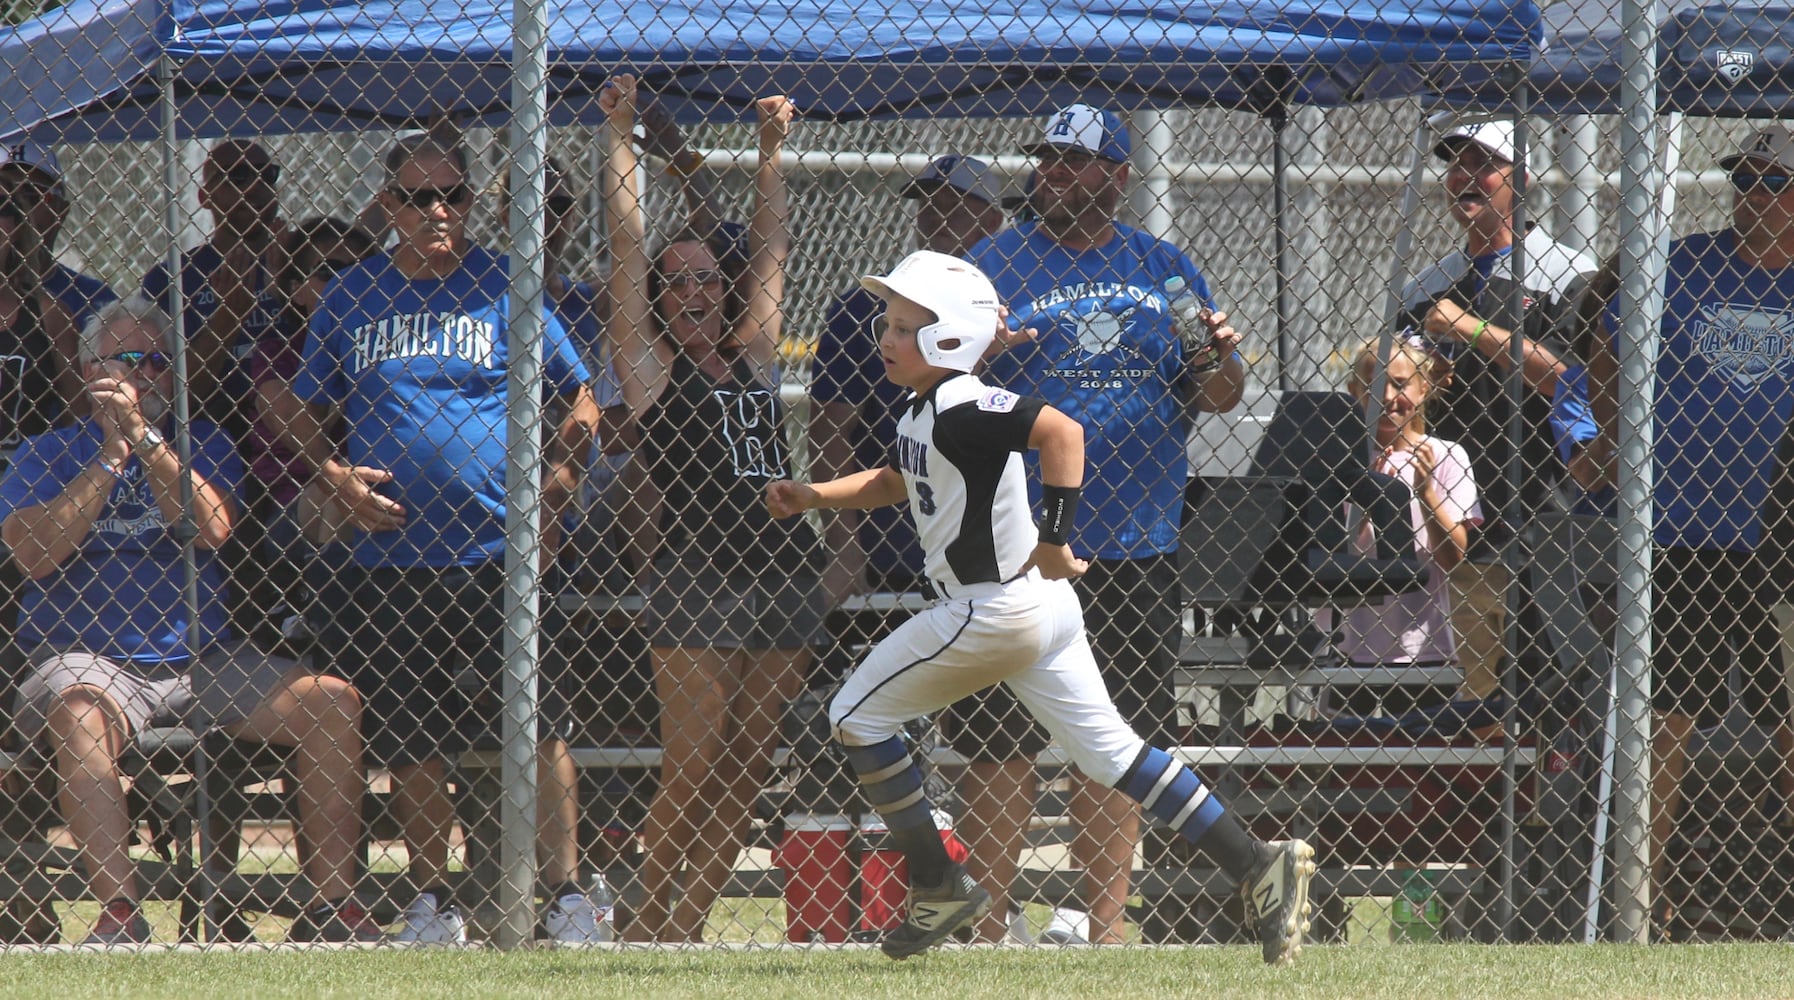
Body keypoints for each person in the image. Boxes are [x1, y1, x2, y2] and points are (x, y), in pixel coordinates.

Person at [764, 249, 1315, 963]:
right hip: (1039, 610)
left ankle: (937, 883)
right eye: (889, 325)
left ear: (951, 336)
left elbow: (1063, 432)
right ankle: (1255, 864)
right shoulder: (927, 406)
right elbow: (897, 480)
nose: (887, 340)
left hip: (994, 608)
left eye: (906, 327)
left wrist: (1055, 539)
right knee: (1113, 752)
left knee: (854, 716)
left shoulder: (962, 403)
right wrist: (815, 495)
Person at [268, 123, 603, 944]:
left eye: (453, 195)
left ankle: (563, 898)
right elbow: (305, 412)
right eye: (420, 198)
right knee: (412, 732)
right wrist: (335, 477)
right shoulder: (351, 295)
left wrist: (556, 492)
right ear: (387, 205)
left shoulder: (507, 284)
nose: (440, 211)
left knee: (540, 723)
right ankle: (432, 901)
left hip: (500, 554)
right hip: (389, 556)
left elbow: (585, 401)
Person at [1, 295, 373, 945]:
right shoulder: (46, 452)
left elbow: (212, 527)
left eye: (159, 362)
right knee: (81, 711)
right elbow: (35, 553)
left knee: (333, 704)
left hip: (201, 659)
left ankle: (331, 910)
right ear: (91, 370)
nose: (145, 375)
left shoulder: (203, 443)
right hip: (84, 656)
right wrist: (109, 458)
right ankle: (121, 916)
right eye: (128, 361)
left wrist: (145, 441)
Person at [967, 103, 1247, 943]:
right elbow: (937, 382)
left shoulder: (1163, 267)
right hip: (1018, 540)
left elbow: (1222, 392)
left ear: (1117, 178)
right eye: (1044, 158)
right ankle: (987, 926)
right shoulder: (993, 263)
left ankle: (1104, 924)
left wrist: (1219, 356)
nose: (1050, 172)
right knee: (1000, 738)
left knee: (1114, 736)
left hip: (1137, 538)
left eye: (1071, 161)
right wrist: (983, 353)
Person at [600, 76, 826, 943]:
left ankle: (688, 924)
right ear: (661, 299)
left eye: (706, 279)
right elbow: (626, 252)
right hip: (699, 577)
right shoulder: (653, 371)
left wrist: (771, 154)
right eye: (679, 281)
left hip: (783, 574)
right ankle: (644, 924)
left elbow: (769, 254)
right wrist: (619, 135)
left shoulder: (754, 358)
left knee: (745, 768)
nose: (695, 290)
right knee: (691, 766)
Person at [1587, 126, 1794, 936]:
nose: (1756, 199)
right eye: (1745, 182)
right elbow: (1602, 349)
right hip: (1685, 530)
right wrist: (1612, 438)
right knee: (1666, 717)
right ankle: (1641, 899)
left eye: (1774, 184)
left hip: (1782, 540)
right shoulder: (1679, 265)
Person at [1399, 113, 1595, 703]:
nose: (1464, 176)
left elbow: (1577, 383)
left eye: (1483, 164)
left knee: (1555, 685)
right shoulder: (1427, 285)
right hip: (1454, 512)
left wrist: (1476, 329)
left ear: (1523, 180)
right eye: (1455, 163)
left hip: (1548, 506)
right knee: (1472, 694)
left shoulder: (1568, 273)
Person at [810, 154, 1009, 607]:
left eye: (955, 207)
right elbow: (829, 430)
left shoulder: (1011, 306)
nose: (936, 218)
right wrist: (844, 543)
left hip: (997, 541)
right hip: (892, 541)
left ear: (992, 220)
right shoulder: (866, 309)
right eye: (927, 205)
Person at [1321, 337, 1481, 715]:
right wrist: (1367, 499)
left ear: (1424, 387)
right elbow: (1333, 553)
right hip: (1346, 644)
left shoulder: (1444, 455)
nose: (1387, 397)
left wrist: (1426, 493)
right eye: (1373, 385)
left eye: (1400, 383)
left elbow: (1453, 555)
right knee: (1338, 753)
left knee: (1418, 759)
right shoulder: (1336, 458)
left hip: (1421, 645)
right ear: (1355, 392)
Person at [249, 217, 379, 638]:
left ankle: (332, 619)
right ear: (295, 289)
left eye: (361, 271)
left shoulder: (394, 349)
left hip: (380, 488)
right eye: (332, 272)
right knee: (335, 497)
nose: (348, 283)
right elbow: (295, 422)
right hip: (294, 506)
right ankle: (326, 629)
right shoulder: (278, 353)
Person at [0, 141, 116, 411]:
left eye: (29, 194)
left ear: (60, 210)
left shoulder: (94, 302)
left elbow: (82, 417)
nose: (20, 208)